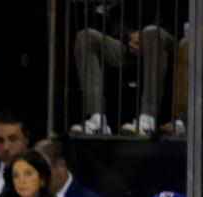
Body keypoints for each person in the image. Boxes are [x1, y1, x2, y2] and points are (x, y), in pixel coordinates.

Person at [71, 1, 182, 137]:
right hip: (131, 43)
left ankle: (147, 120)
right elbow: (117, 15)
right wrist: (130, 36)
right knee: (86, 38)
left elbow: (181, 19)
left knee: (152, 33)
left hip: (168, 42)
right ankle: (97, 120)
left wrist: (145, 37)